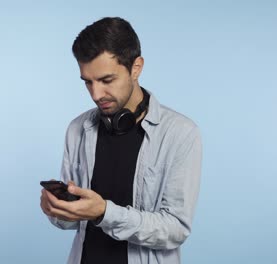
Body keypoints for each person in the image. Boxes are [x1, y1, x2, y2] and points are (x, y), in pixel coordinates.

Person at [40, 17, 202, 264]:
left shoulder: (180, 133)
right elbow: (70, 222)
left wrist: (105, 212)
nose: (96, 94)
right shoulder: (77, 129)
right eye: (88, 82)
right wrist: (58, 209)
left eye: (107, 81)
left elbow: (176, 229)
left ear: (136, 68)